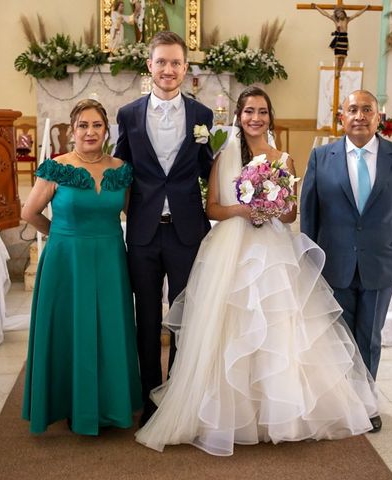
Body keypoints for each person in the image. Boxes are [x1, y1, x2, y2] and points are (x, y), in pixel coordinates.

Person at [135, 86, 379, 456]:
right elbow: (213, 208)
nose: (255, 118)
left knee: (278, 327)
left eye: (262, 112)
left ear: (270, 116)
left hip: (273, 251)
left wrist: (271, 207)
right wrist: (244, 211)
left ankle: (275, 413)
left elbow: (291, 214)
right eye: (249, 111)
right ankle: (228, 414)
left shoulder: (283, 159)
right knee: (232, 328)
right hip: (232, 249)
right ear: (239, 115)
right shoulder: (225, 154)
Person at [300, 90, 392, 432]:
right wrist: (313, 257)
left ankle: (366, 405)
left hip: (381, 260)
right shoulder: (322, 157)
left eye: (366, 109)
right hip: (335, 260)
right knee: (337, 336)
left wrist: (377, 234)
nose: (359, 116)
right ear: (341, 117)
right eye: (352, 109)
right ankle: (340, 402)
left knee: (369, 336)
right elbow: (310, 213)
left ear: (378, 117)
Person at [21, 99, 142, 435]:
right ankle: (70, 404)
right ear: (72, 131)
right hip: (66, 260)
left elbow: (132, 214)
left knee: (109, 327)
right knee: (70, 328)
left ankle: (110, 404)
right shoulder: (55, 168)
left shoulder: (122, 170)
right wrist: (60, 235)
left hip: (110, 258)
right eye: (83, 126)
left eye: (97, 126)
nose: (90, 132)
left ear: (107, 131)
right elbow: (29, 213)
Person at [114, 31, 214, 428]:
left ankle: (176, 392)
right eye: (161, 62)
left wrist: (252, 186)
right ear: (149, 66)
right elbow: (119, 168)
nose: (168, 69)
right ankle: (148, 395)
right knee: (147, 317)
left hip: (188, 231)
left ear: (185, 68)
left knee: (184, 315)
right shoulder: (128, 114)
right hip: (142, 231)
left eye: (175, 62)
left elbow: (211, 168)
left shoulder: (203, 116)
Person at [313, 4, 369, 78]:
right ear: (336, 15)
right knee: (337, 56)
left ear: (344, 13)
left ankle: (339, 70)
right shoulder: (335, 20)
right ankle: (336, 71)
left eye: (341, 13)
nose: (340, 14)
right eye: (339, 13)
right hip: (338, 39)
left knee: (343, 56)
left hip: (344, 39)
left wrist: (365, 8)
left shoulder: (347, 19)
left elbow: (357, 14)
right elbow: (325, 14)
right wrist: (317, 7)